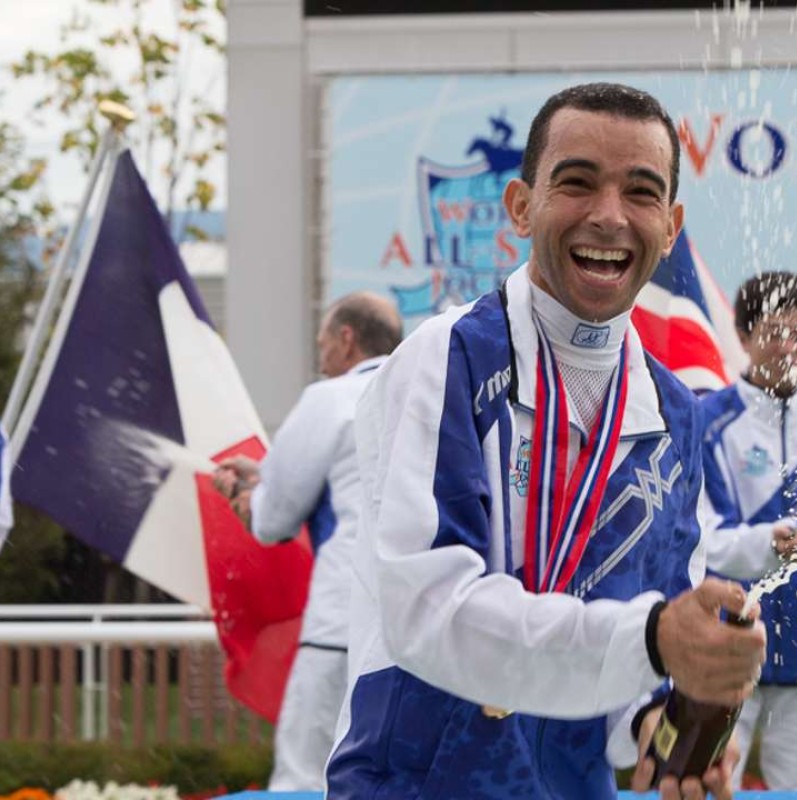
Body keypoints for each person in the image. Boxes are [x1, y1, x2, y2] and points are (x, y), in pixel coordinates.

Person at [326, 82, 766, 800]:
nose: (608, 216)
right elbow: (425, 609)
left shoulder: (676, 415)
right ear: (521, 206)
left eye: (641, 193)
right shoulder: (451, 358)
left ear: (672, 224)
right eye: (578, 182)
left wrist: (670, 718)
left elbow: (647, 626)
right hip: (415, 784)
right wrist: (655, 641)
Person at [213, 292, 402, 790]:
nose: (320, 357)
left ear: (346, 340)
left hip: (342, 626)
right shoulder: (425, 393)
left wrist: (249, 498)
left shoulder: (331, 398)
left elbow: (275, 518)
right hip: (421, 633)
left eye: (322, 342)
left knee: (304, 779)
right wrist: (266, 476)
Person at [699, 271, 797, 791]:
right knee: (710, 786)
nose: (787, 347)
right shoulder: (705, 420)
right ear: (742, 338)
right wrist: (768, 542)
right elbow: (699, 541)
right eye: (773, 333)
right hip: (726, 644)